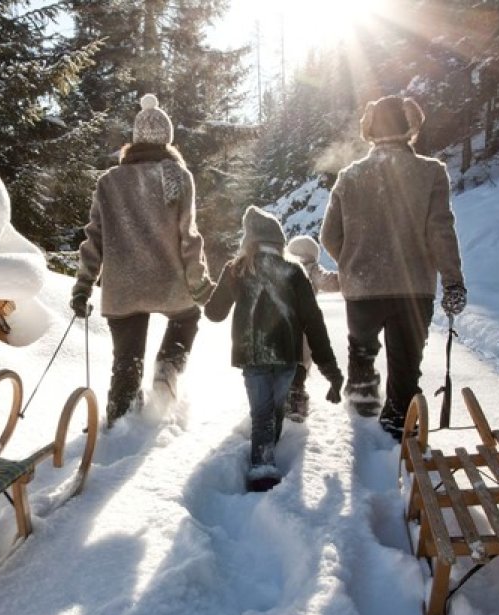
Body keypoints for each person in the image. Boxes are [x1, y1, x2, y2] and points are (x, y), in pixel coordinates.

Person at [319, 95, 466, 441]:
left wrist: (352, 261)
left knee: (362, 352)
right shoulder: (431, 173)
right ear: (410, 127)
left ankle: (361, 414)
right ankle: (398, 432)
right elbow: (440, 231)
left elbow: (329, 234)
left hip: (361, 288)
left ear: (369, 130)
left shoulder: (349, 176)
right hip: (413, 288)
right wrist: (453, 282)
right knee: (405, 370)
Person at [71, 94, 215, 427]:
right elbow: (189, 237)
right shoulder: (178, 176)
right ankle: (168, 367)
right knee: (187, 318)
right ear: (167, 138)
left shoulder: (108, 181)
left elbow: (94, 239)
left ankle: (120, 423)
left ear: (135, 140)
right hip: (169, 283)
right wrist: (199, 283)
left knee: (126, 362)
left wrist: (83, 286)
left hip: (123, 288)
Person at [205, 206, 343, 490]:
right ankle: (264, 461)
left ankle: (262, 468)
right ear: (279, 241)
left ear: (250, 240)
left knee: (261, 414)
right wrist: (330, 369)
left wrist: (210, 289)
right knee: (273, 411)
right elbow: (313, 322)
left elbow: (214, 313)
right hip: (287, 358)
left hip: (252, 355)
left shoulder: (236, 269)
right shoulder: (293, 271)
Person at [285, 234, 340, 421]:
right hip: (305, 323)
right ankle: (296, 396)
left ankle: (281, 395)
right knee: (301, 359)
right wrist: (347, 277)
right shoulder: (313, 269)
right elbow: (328, 282)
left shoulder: (283, 265)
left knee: (284, 360)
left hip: (281, 322)